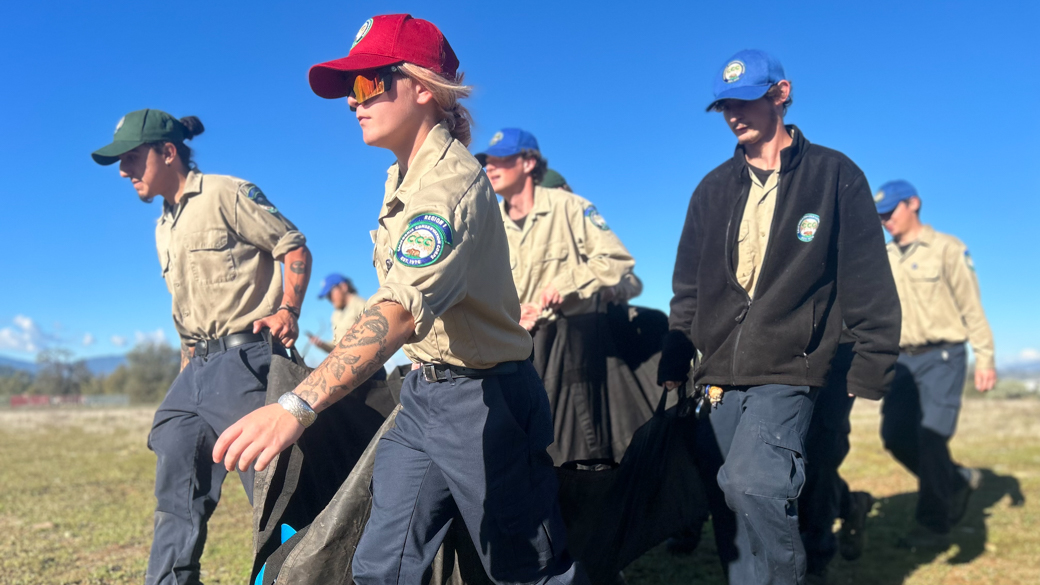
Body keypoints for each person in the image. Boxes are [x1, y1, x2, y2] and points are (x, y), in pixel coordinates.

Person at [212, 14, 587, 585]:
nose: (352, 103)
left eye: (368, 84)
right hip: (423, 396)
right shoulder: (402, 178)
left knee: (526, 570)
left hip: (486, 400)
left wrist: (296, 406)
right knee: (380, 565)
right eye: (350, 90)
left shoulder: (447, 185)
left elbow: (402, 309)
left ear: (423, 87)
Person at [657, 49, 901, 584]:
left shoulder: (835, 175)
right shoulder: (711, 189)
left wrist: (871, 364)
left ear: (780, 94)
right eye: (725, 105)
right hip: (719, 374)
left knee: (759, 482)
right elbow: (688, 285)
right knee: (730, 499)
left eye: (745, 101)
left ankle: (804, 571)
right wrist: (679, 348)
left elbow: (866, 276)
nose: (734, 114)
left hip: (796, 365)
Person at [91, 109, 312, 585]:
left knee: (280, 496)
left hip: (245, 361)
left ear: (167, 152)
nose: (126, 172)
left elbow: (292, 246)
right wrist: (186, 369)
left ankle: (308, 574)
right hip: (194, 370)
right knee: (174, 486)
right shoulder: (162, 227)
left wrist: (288, 310)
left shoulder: (225, 193)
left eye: (132, 158)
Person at [478, 129, 646, 463]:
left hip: (568, 351)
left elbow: (617, 260)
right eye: (487, 162)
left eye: (502, 159)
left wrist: (566, 284)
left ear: (529, 162)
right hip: (509, 351)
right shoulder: (487, 222)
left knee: (572, 451)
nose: (490, 168)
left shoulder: (570, 208)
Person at [875, 179, 995, 548]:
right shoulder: (884, 256)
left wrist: (985, 357)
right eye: (879, 215)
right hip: (902, 362)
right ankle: (956, 480)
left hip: (943, 356)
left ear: (914, 203)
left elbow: (971, 306)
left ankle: (934, 526)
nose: (885, 220)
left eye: (891, 211)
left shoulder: (948, 249)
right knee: (894, 438)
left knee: (931, 438)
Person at [308, 273, 366, 352]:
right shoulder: (335, 315)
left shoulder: (362, 306)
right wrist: (322, 345)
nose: (329, 298)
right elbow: (337, 347)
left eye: (330, 293)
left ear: (343, 287)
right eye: (327, 296)